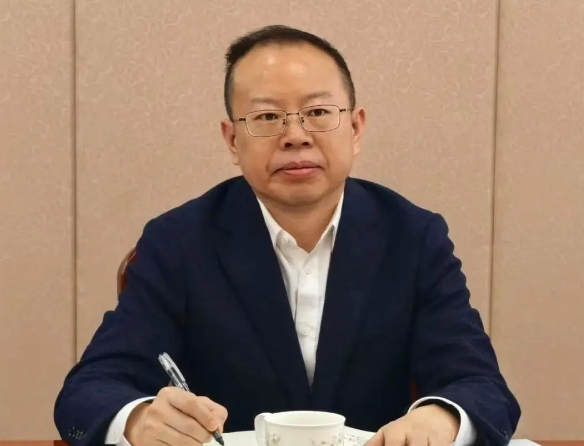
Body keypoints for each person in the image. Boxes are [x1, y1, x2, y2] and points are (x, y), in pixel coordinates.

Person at [54, 24, 520, 446]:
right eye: (267, 117)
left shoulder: (414, 237)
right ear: (232, 140)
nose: (296, 135)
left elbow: (480, 386)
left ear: (356, 128)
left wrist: (442, 418)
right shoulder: (178, 241)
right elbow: (90, 389)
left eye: (317, 112)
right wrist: (138, 420)